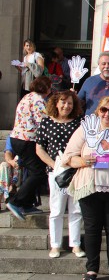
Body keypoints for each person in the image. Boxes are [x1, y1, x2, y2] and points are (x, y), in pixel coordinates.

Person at [62, 96, 109, 280]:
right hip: (89, 187)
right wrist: (83, 161)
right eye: (104, 110)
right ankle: (91, 268)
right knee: (92, 228)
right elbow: (68, 157)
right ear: (98, 111)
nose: (107, 114)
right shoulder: (85, 131)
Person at [35, 90, 85, 259]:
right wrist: (54, 165)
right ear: (56, 103)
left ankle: (75, 244)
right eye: (63, 102)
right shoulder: (46, 122)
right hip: (55, 171)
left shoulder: (80, 122)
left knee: (76, 209)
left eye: (70, 103)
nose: (66, 106)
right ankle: (55, 245)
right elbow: (39, 148)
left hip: (76, 171)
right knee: (56, 210)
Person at [6, 76, 52, 221]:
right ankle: (16, 201)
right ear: (46, 88)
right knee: (38, 173)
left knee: (33, 171)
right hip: (27, 140)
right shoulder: (38, 100)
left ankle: (27, 203)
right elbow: (42, 122)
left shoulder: (27, 97)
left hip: (17, 139)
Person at [0, 136, 22, 210]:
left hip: (27, 166)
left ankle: (12, 191)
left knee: (18, 159)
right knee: (4, 165)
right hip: (15, 166)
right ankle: (6, 194)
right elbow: (8, 152)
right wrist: (11, 161)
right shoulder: (12, 136)